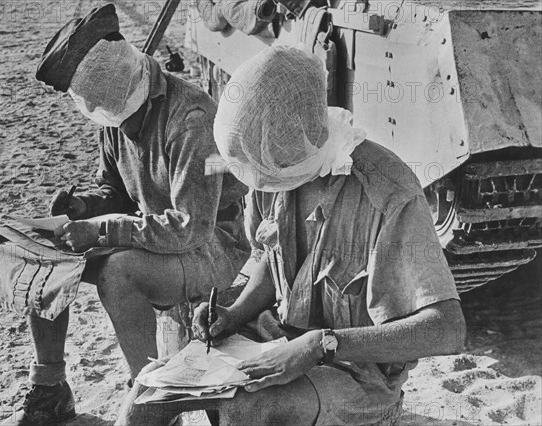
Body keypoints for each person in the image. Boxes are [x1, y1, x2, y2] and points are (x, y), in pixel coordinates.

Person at [118, 46, 466, 425]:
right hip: (275, 339)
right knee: (149, 394)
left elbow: (447, 328)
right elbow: (275, 261)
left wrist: (322, 344)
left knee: (251, 408)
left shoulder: (390, 194)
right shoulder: (272, 164)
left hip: (355, 374)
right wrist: (234, 315)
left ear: (287, 144)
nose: (259, 183)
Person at [3, 4, 250, 425]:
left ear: (132, 87)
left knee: (119, 273)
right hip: (159, 234)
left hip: (214, 247)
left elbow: (190, 227)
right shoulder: (114, 109)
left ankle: (156, 398)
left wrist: (101, 229)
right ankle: (49, 386)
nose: (123, 128)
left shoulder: (190, 118)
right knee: (37, 252)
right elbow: (115, 190)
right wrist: (85, 207)